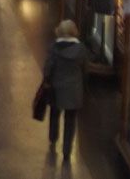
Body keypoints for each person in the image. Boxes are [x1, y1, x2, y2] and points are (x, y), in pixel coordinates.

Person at [43, 19, 88, 162]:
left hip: (56, 88)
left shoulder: (54, 48)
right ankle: (67, 150)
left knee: (54, 114)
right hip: (74, 90)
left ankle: (53, 137)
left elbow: (48, 68)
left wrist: (47, 80)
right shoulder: (80, 49)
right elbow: (85, 69)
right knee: (70, 120)